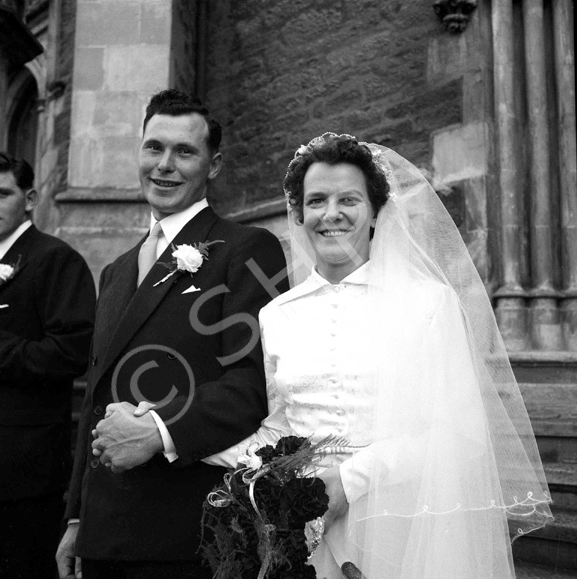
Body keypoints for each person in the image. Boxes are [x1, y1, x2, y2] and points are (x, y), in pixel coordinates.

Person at [205, 133, 553, 578]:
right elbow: (280, 426)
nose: (331, 214)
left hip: (406, 528)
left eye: (348, 199)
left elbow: (461, 432)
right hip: (303, 531)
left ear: (375, 212)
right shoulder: (276, 315)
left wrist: (349, 484)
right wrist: (174, 437)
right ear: (299, 213)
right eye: (316, 201)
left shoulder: (428, 302)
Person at [56, 89, 289, 579]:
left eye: (184, 152)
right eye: (154, 148)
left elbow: (252, 385)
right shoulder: (116, 271)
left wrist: (159, 431)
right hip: (103, 535)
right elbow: (96, 398)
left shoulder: (248, 249)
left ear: (214, 165)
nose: (165, 165)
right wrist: (77, 516)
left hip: (188, 534)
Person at [0, 152, 96, 579]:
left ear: (30, 198)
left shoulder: (55, 259)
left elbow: (71, 352)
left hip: (22, 473)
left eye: (0, 193)